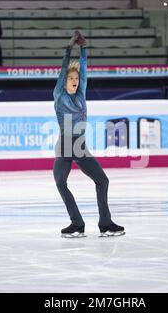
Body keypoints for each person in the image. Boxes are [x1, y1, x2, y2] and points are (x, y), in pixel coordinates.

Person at [53, 31, 125, 238]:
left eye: (76, 78)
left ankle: (105, 223)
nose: (75, 81)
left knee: (102, 181)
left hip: (80, 145)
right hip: (66, 145)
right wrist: (69, 51)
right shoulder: (59, 95)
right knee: (60, 182)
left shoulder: (81, 93)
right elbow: (62, 72)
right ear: (64, 81)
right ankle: (77, 223)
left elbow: (83, 71)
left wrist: (83, 49)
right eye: (71, 78)